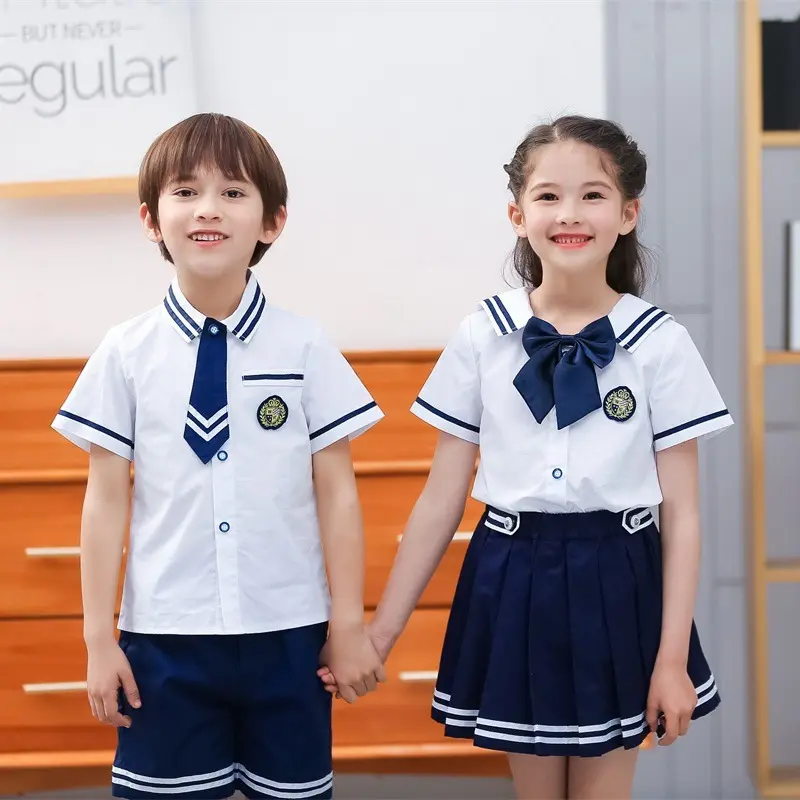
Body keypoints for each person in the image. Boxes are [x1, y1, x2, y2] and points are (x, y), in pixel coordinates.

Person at [319, 115, 732, 799]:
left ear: (629, 214)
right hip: (512, 576)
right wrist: (378, 632)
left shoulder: (660, 344)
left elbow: (681, 514)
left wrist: (669, 659)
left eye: (593, 196)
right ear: (517, 214)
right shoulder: (482, 335)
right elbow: (440, 498)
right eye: (548, 196)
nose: (570, 214)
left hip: (621, 577)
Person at [52, 112, 385, 800]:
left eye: (233, 192)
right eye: (185, 191)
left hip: (289, 634)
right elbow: (106, 498)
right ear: (151, 219)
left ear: (273, 221)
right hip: (165, 641)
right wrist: (97, 640)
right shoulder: (126, 351)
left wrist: (348, 624)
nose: (208, 209)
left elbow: (339, 494)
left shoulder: (305, 347)